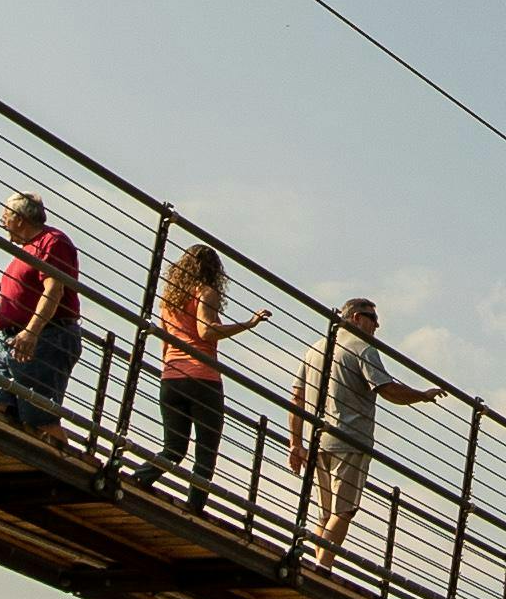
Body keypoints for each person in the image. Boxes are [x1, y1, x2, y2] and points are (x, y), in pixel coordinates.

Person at [284, 294, 450, 569]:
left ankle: (315, 564)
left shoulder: (316, 348)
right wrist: (422, 395)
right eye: (372, 318)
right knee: (345, 510)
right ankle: (321, 569)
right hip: (350, 439)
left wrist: (295, 443)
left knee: (325, 514)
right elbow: (387, 389)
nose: (377, 326)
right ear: (356, 318)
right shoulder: (362, 348)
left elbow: (296, 398)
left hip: (318, 440)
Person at [149, 241, 267, 499]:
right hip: (203, 378)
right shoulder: (206, 292)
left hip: (171, 376)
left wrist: (167, 369)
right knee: (206, 452)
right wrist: (248, 324)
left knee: (174, 448)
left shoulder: (169, 299)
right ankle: (194, 506)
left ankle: (141, 476)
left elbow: (165, 340)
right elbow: (206, 330)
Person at [0, 193, 82, 432]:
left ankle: (61, 466)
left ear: (20, 218)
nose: (3, 223)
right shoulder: (27, 249)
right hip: (12, 341)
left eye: (5, 217)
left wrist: (31, 332)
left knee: (40, 421)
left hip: (44, 338)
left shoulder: (52, 241)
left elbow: (53, 290)